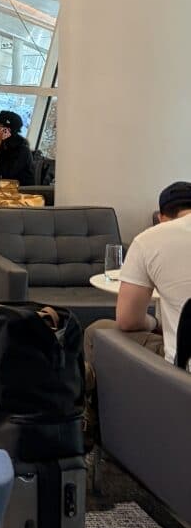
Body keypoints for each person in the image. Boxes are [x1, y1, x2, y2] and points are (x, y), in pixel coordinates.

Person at [83, 182, 191, 444]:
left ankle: (95, 433)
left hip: (182, 373)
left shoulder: (151, 240)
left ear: (161, 217)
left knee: (97, 331)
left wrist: (154, 322)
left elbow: (128, 320)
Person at [0, 110, 37, 185]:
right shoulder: (3, 145)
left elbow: (4, 173)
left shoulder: (23, 150)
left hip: (21, 192)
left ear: (7, 131)